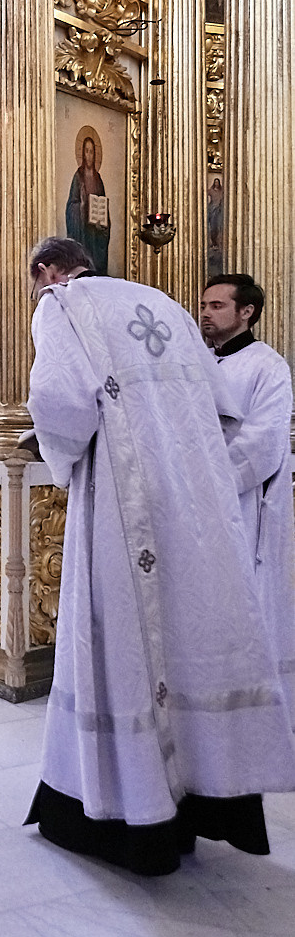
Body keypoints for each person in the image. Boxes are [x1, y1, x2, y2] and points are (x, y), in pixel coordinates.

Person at [23, 236, 295, 875]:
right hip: (193, 508)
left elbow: (62, 406)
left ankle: (127, 815)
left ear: (46, 271)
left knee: (116, 641)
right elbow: (221, 407)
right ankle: (199, 800)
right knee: (185, 635)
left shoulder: (62, 304)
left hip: (122, 503)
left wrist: (54, 453)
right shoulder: (164, 304)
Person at [201, 273, 295, 714]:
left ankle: (251, 701)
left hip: (241, 501)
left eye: (217, 306)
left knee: (244, 595)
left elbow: (262, 442)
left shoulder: (268, 366)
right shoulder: (198, 363)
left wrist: (208, 480)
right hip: (195, 500)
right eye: (204, 305)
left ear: (247, 312)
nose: (205, 313)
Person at [65, 132, 110, 276]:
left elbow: (104, 207)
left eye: (92, 152)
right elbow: (71, 207)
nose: (89, 155)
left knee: (97, 266)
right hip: (83, 233)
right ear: (83, 154)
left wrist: (103, 222)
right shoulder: (78, 177)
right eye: (87, 151)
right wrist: (82, 206)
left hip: (96, 234)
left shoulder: (98, 179)